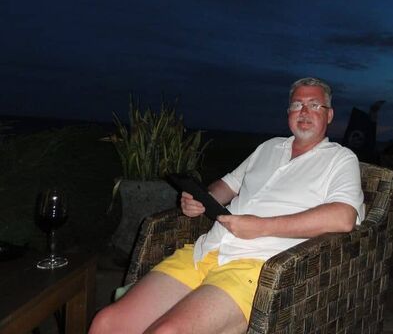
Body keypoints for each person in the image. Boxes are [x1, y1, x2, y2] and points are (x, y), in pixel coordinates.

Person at [89, 77, 365, 334]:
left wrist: (262, 227)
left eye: (314, 105)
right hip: (206, 250)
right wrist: (201, 198)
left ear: (329, 115)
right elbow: (227, 186)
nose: (303, 112)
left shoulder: (340, 159)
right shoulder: (269, 148)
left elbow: (343, 217)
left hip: (256, 267)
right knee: (107, 322)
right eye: (296, 105)